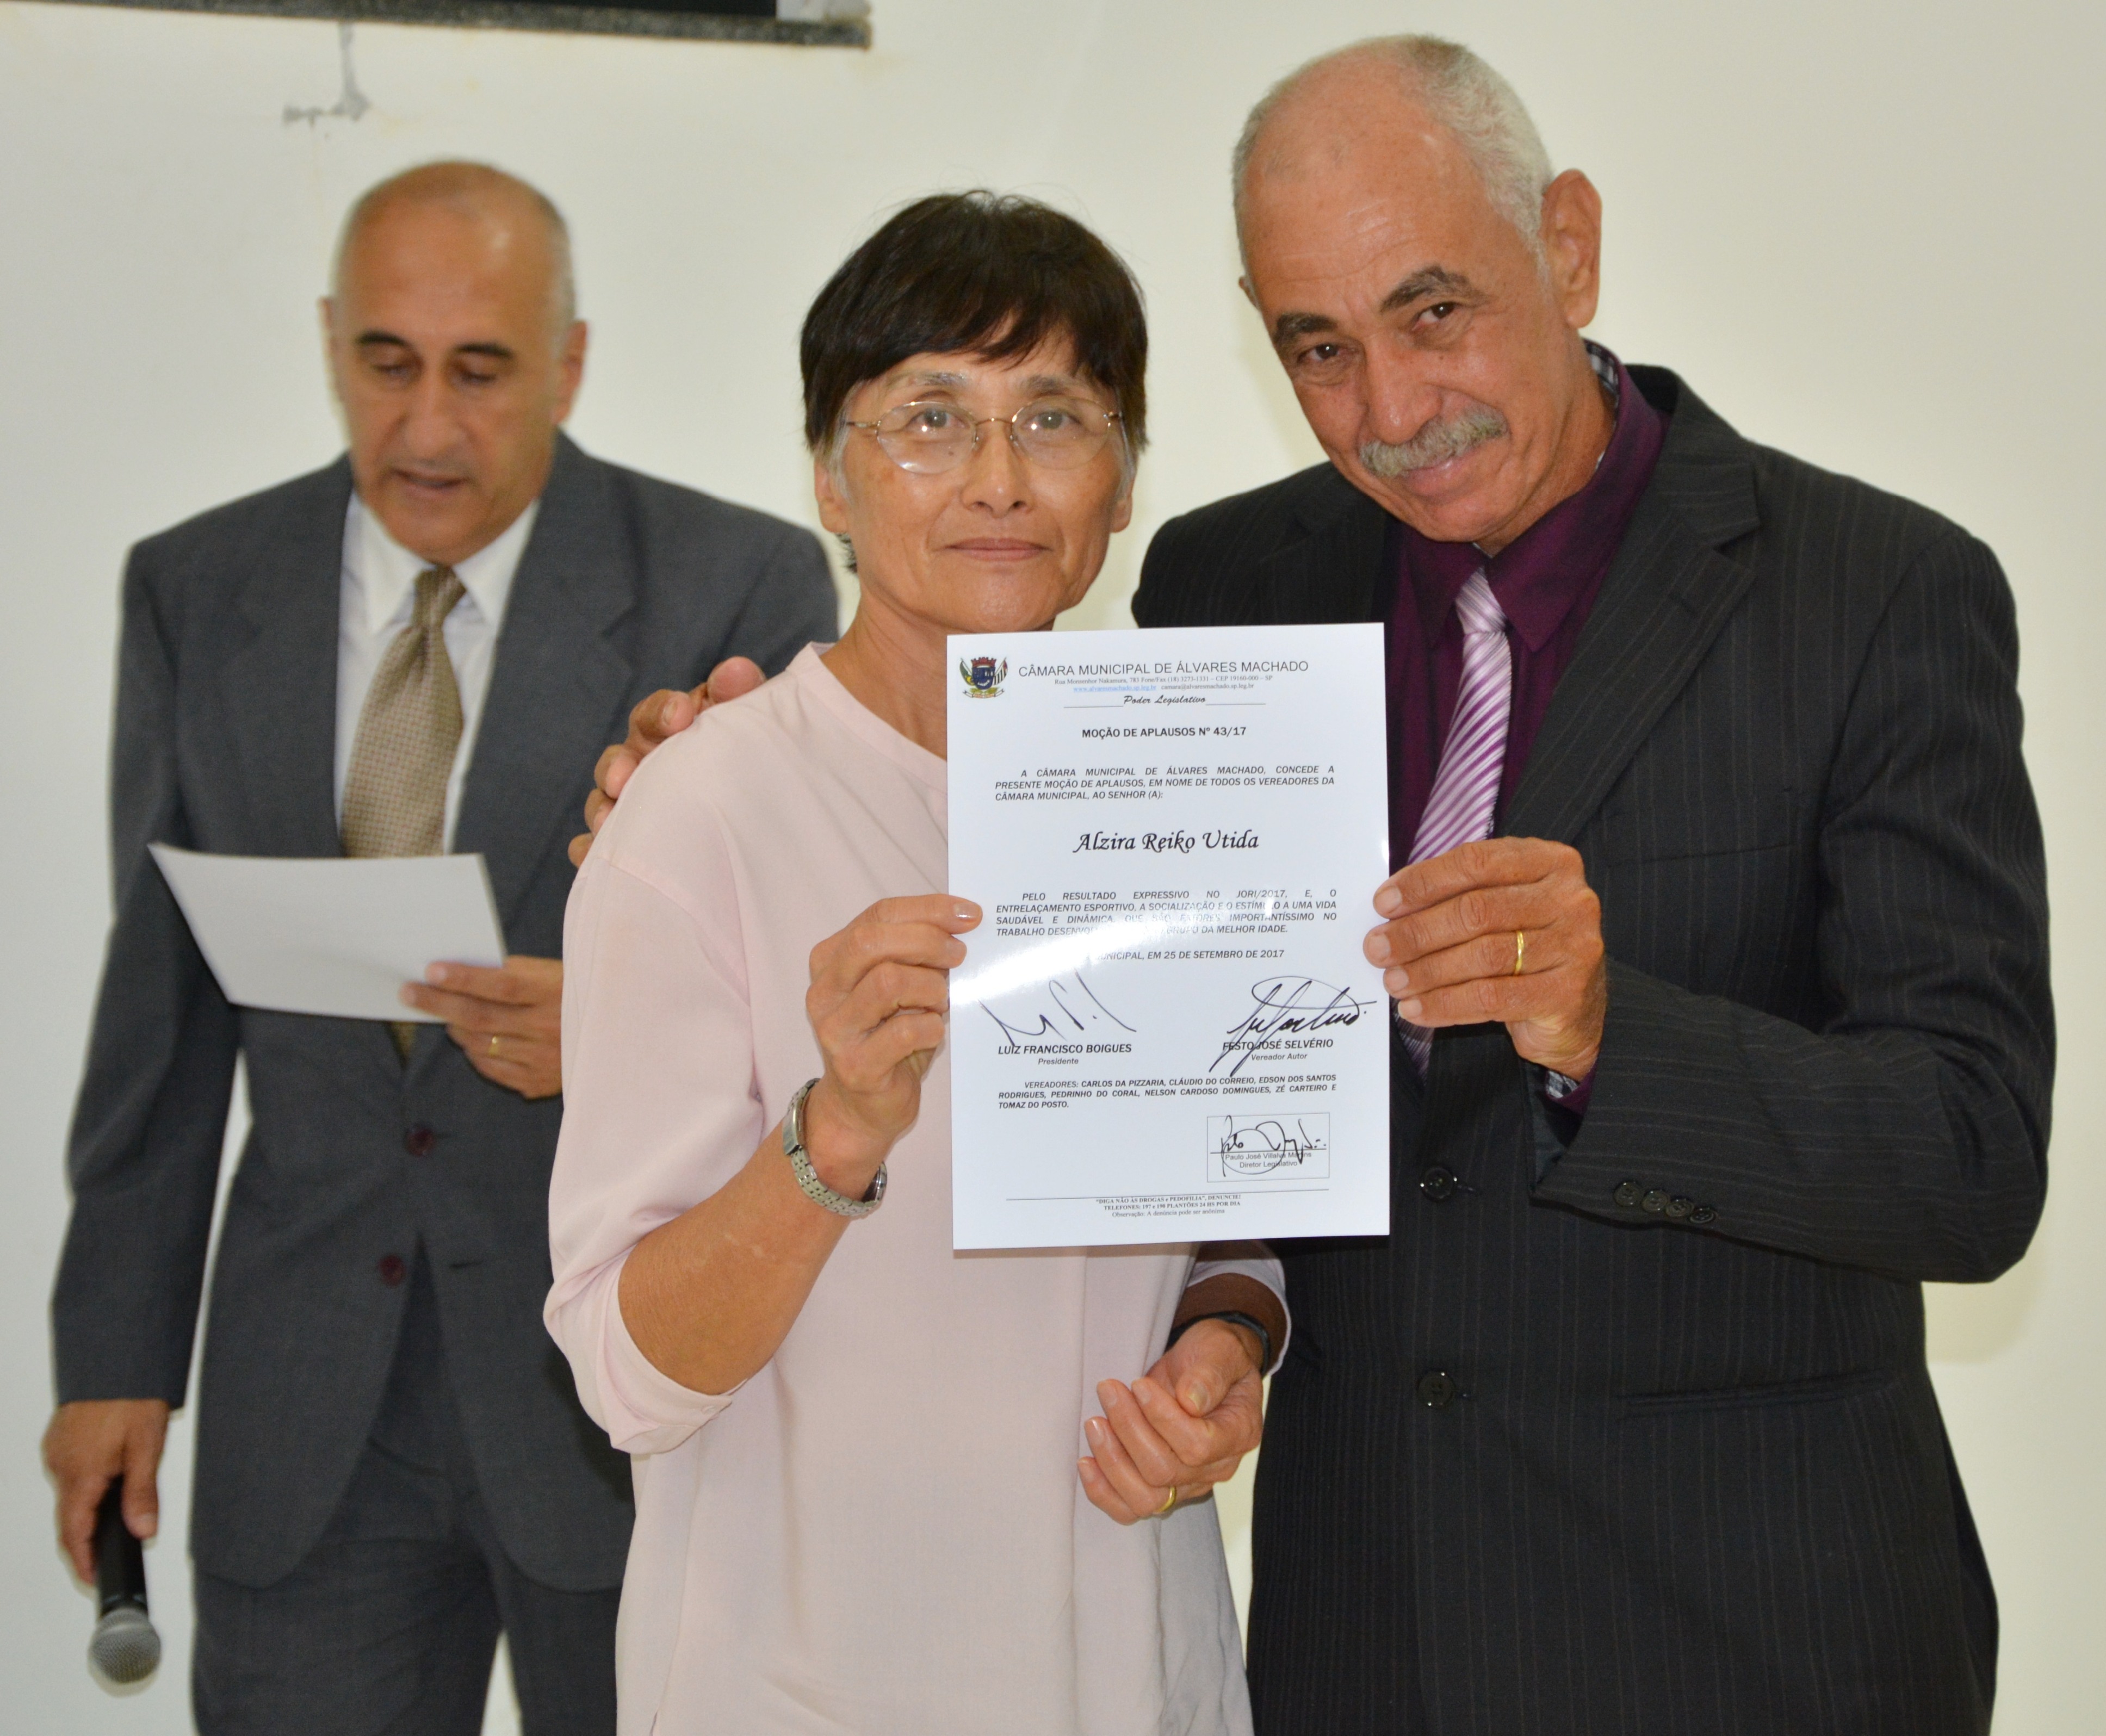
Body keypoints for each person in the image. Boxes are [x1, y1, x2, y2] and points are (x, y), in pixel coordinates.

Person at [586, 38, 2054, 1736]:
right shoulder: (1230, 589)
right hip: (1358, 1628)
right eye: (1319, 348)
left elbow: (1971, 1159)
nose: (1394, 408)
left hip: (1749, 1631)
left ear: (1569, 247)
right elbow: (1212, 1098)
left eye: (1436, 312)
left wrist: (1608, 1035)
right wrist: (704, 786)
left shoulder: (1875, 593)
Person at [42, 161, 837, 1734]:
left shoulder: (734, 583)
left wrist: (617, 1025)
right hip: (308, 1408)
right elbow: (160, 1010)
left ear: (570, 364)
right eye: (386, 363)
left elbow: (816, 1008)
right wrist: (113, 1354)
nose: (425, 427)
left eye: (480, 371)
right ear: (329, 341)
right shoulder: (196, 589)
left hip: (623, 1391)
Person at [548, 191, 1287, 1736]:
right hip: (799, 1677)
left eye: (1056, 417)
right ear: (830, 473)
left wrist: (1226, 1349)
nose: (1000, 479)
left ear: (1126, 479)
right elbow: (624, 1374)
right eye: (931, 419)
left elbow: (1240, 1199)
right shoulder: (705, 808)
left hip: (1130, 1665)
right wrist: (835, 1137)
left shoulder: (1196, 778)